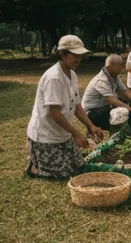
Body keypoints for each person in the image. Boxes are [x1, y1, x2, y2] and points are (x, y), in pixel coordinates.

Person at [25, 35, 104, 179]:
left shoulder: (72, 74)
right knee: (62, 174)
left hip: (62, 134)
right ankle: (34, 164)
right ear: (62, 54)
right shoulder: (54, 78)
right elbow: (54, 112)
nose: (79, 59)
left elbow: (77, 105)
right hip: (45, 136)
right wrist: (75, 133)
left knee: (79, 166)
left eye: (81, 55)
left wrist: (90, 126)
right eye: (75, 55)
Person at [82, 54, 131, 130]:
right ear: (110, 66)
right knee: (123, 115)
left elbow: (126, 91)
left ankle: (124, 134)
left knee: (125, 114)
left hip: (103, 108)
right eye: (120, 65)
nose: (122, 67)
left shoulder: (114, 76)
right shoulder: (101, 80)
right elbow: (113, 101)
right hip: (91, 112)